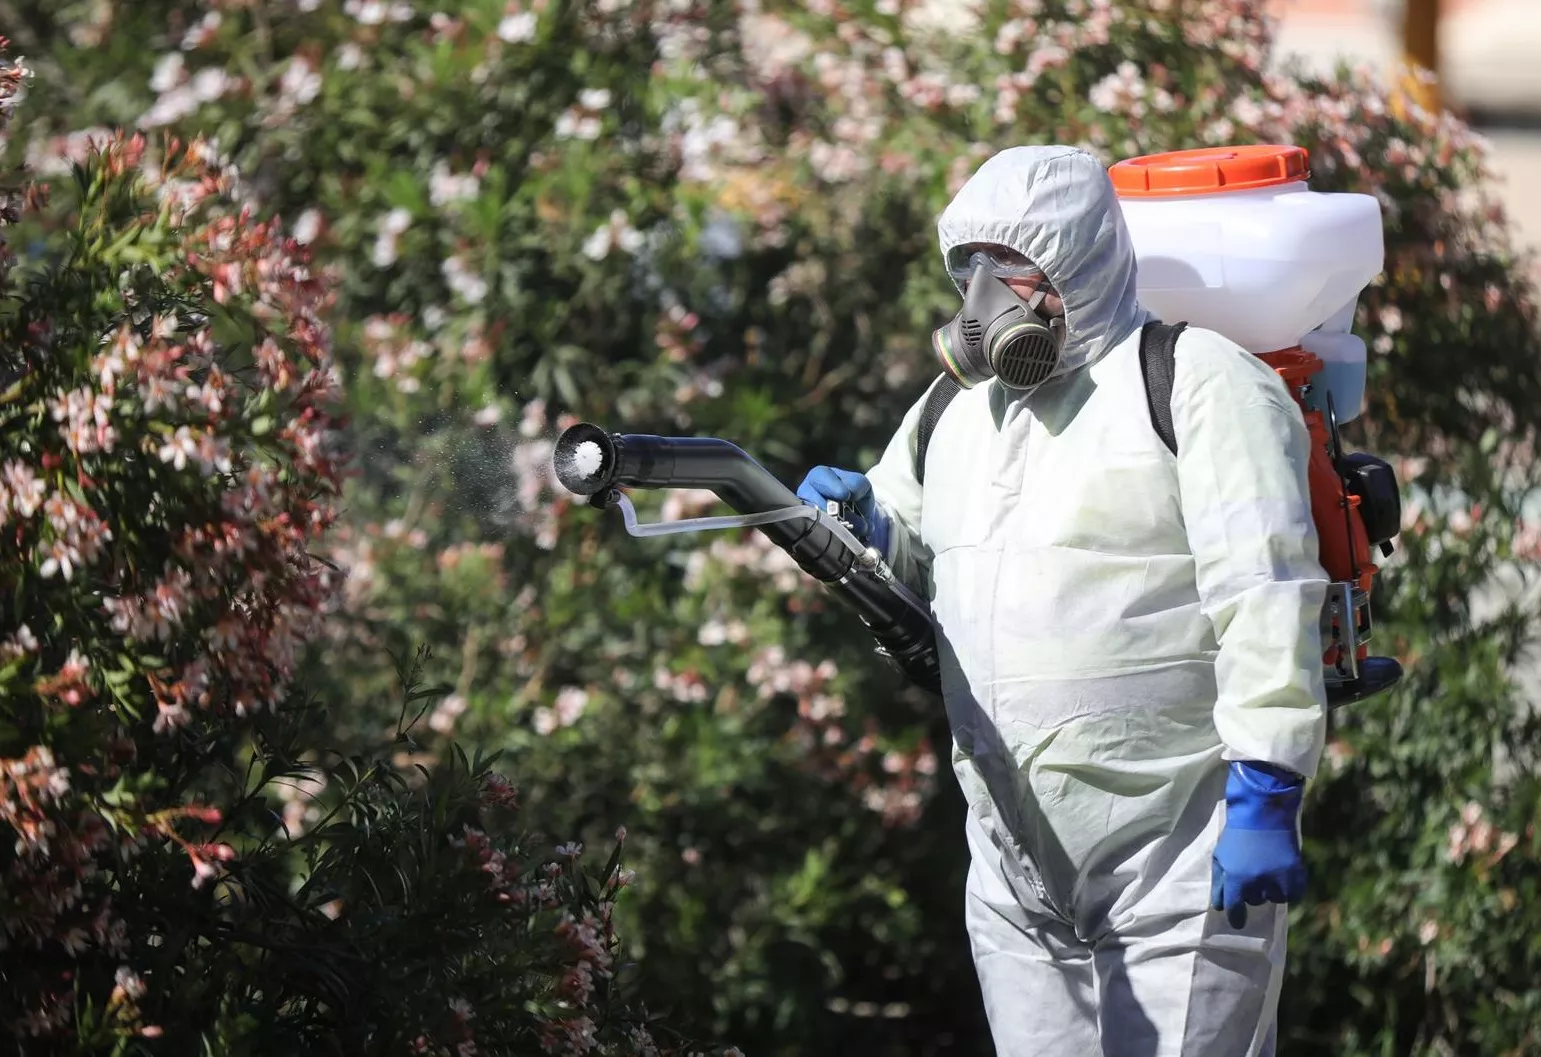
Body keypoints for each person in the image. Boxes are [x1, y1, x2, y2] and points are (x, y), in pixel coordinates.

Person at [796, 145, 1329, 1056]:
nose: (982, 304)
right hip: (1012, 865)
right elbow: (909, 546)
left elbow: (1265, 586)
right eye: (968, 272)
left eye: (1011, 272)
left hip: (1178, 854)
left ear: (1078, 262)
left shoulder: (1194, 379)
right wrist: (862, 520)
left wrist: (1267, 783)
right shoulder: (953, 413)